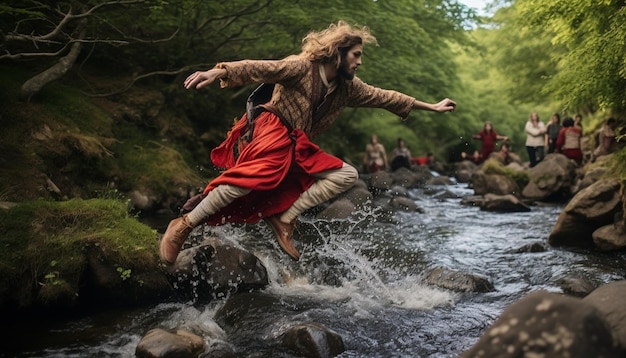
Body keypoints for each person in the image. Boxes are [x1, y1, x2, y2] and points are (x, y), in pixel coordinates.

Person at [159, 21, 457, 264]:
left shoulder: (347, 88)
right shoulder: (301, 67)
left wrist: (431, 106)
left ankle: (285, 217)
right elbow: (260, 68)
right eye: (356, 54)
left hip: (296, 143)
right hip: (270, 130)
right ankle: (183, 226)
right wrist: (218, 71)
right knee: (250, 179)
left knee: (347, 175)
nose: (360, 61)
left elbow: (386, 96)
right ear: (338, 53)